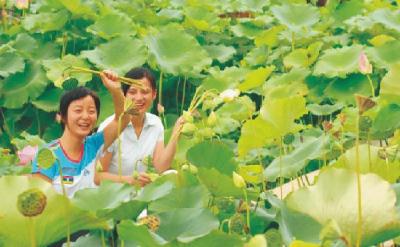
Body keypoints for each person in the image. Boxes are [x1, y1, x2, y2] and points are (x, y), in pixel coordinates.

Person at [32, 70, 130, 197]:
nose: (85, 116)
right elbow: (40, 200)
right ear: (62, 116)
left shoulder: (94, 145)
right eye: (78, 110)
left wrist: (116, 89)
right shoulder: (47, 155)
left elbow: (123, 119)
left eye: (91, 111)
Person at [95, 67, 184, 187]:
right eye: (132, 92)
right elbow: (97, 176)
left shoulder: (156, 123)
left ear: (154, 94)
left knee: (173, 174)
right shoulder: (111, 126)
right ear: (124, 95)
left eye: (145, 92)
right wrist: (129, 180)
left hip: (142, 193)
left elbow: (159, 168)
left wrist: (176, 132)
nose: (139, 98)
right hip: (113, 195)